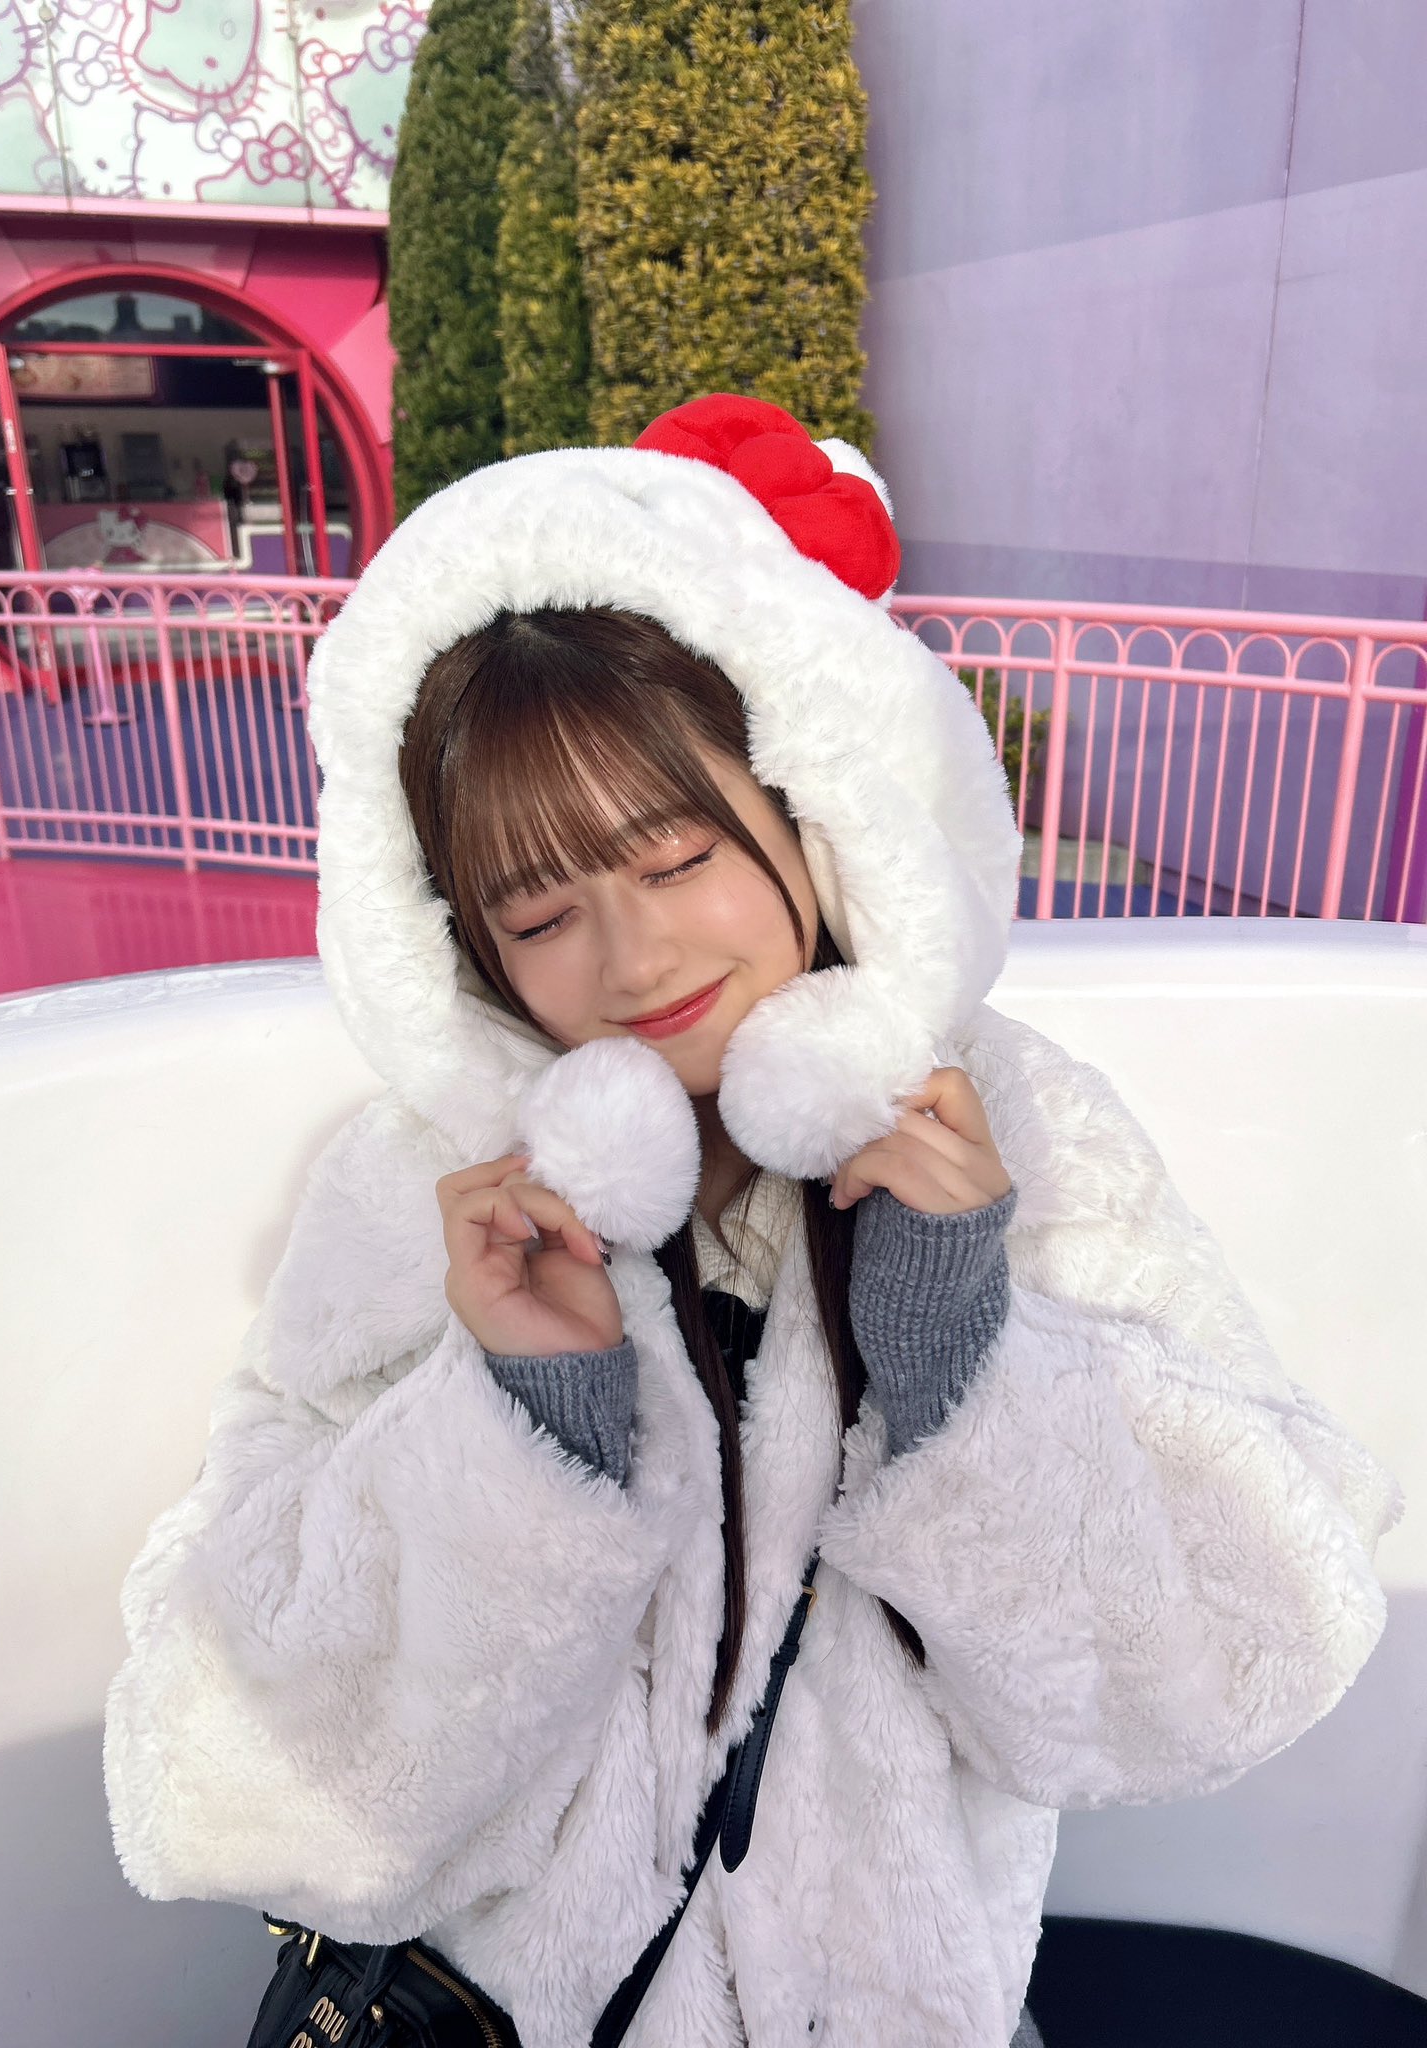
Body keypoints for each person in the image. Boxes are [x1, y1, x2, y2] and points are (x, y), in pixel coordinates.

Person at [102, 394, 1404, 2048]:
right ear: (465, 947)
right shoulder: (425, 1191)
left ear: (808, 803)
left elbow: (1235, 1669)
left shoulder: (1016, 1128)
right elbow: (228, 1777)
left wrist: (966, 1367)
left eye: (677, 858)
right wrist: (515, 1431)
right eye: (542, 913)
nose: (635, 960)